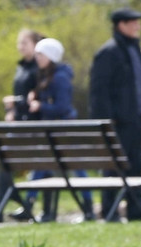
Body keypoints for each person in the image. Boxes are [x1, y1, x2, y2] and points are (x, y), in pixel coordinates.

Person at [89, 7, 141, 221]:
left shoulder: (134, 50)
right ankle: (110, 211)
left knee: (136, 167)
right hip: (118, 123)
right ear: (121, 25)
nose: (137, 26)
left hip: (135, 121)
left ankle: (136, 211)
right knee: (113, 169)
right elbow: (99, 91)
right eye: (132, 22)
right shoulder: (109, 53)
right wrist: (107, 121)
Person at [0, 29, 44, 223]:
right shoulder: (21, 67)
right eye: (19, 43)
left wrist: (17, 103)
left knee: (5, 159)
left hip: (32, 128)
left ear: (35, 45)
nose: (20, 47)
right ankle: (13, 204)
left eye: (25, 43)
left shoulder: (39, 69)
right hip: (19, 124)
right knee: (3, 159)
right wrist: (11, 109)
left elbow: (36, 100)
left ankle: (6, 206)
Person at [28, 38, 95, 222]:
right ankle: (29, 203)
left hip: (64, 130)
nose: (37, 58)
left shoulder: (60, 77)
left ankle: (88, 208)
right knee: (41, 166)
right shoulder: (47, 75)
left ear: (50, 56)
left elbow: (62, 107)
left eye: (40, 54)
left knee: (76, 169)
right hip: (53, 130)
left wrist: (39, 106)